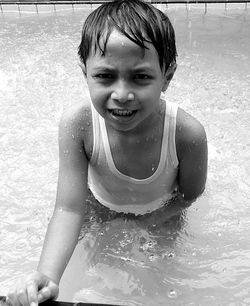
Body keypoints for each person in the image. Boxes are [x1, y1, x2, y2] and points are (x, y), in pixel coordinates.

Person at [7, 0, 207, 305]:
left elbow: (189, 196)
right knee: (88, 275)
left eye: (140, 77)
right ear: (84, 70)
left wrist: (144, 222)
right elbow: (68, 209)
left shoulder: (187, 134)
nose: (122, 94)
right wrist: (47, 276)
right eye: (104, 76)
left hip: (162, 213)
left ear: (167, 75)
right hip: (97, 207)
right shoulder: (79, 124)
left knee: (160, 287)